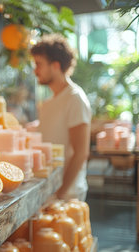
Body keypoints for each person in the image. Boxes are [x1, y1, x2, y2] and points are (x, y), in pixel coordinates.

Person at [31, 34, 92, 201]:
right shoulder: (49, 102)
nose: (35, 70)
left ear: (56, 66)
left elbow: (81, 153)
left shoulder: (75, 98)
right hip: (49, 191)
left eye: (39, 64)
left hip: (68, 194)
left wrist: (60, 193)